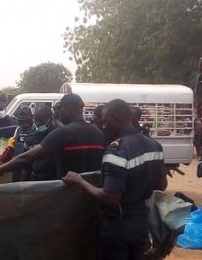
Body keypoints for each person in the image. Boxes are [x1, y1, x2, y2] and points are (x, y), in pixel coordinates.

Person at [62, 99, 168, 260]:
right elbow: (162, 185)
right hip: (141, 223)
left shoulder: (116, 151)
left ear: (117, 119)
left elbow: (111, 198)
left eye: (105, 122)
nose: (103, 126)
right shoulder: (154, 145)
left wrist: (78, 181)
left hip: (117, 227)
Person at [0, 93, 105, 185]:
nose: (57, 114)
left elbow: (25, 158)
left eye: (60, 110)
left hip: (68, 197)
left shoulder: (62, 133)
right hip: (91, 199)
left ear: (68, 109)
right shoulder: (99, 134)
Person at [23, 105, 58, 181]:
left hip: (54, 181)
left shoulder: (58, 137)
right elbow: (26, 167)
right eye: (35, 120)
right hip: (36, 180)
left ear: (50, 119)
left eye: (41, 120)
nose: (37, 123)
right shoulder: (30, 138)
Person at [12, 106, 35, 182]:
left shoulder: (35, 129)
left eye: (26, 122)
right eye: (21, 122)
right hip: (17, 164)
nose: (24, 125)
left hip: (28, 167)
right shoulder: (18, 129)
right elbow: (15, 143)